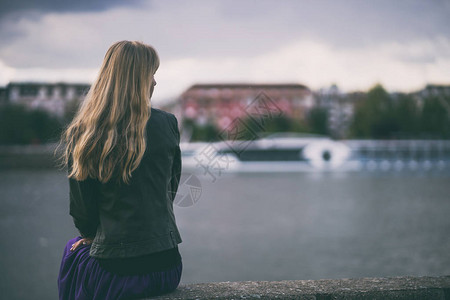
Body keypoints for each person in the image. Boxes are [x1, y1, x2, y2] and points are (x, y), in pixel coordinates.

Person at [56, 40, 183, 300]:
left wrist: (92, 236)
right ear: (138, 80)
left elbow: (83, 211)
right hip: (167, 266)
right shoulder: (168, 123)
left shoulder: (84, 132)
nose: (155, 83)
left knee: (73, 251)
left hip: (117, 273)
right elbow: (170, 189)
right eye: (151, 75)